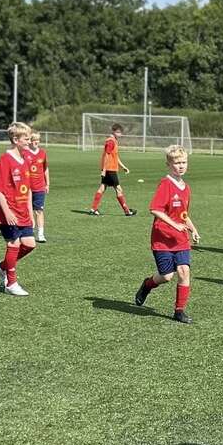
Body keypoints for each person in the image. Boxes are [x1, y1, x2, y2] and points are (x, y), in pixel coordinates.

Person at [135, 146, 200, 323]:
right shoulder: (166, 184)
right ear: (169, 164)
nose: (181, 166)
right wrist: (174, 224)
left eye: (184, 162)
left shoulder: (186, 188)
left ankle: (179, 311)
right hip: (162, 238)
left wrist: (193, 229)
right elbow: (155, 209)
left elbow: (183, 214)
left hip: (181, 239)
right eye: (177, 163)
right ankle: (147, 285)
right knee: (166, 276)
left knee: (184, 271)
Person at [0, 122, 36, 296]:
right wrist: (7, 212)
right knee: (14, 243)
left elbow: (28, 189)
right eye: (26, 138)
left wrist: (30, 211)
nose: (29, 141)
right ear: (16, 140)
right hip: (8, 211)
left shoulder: (26, 159)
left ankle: (2, 266)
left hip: (23, 210)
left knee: (30, 244)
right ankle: (11, 283)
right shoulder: (5, 160)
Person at [90, 123, 136, 216]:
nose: (120, 134)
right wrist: (104, 170)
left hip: (109, 169)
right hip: (110, 169)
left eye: (120, 132)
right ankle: (127, 211)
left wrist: (123, 167)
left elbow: (115, 156)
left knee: (102, 187)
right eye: (118, 132)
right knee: (118, 189)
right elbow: (107, 156)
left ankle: (93, 209)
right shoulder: (111, 141)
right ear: (113, 132)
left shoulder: (114, 141)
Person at [26, 130, 50, 242]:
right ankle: (28, 231)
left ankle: (40, 234)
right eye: (34, 140)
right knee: (27, 210)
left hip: (39, 187)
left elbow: (45, 169)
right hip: (26, 188)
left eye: (38, 140)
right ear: (29, 141)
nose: (36, 142)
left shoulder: (43, 153)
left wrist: (47, 183)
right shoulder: (24, 153)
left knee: (39, 211)